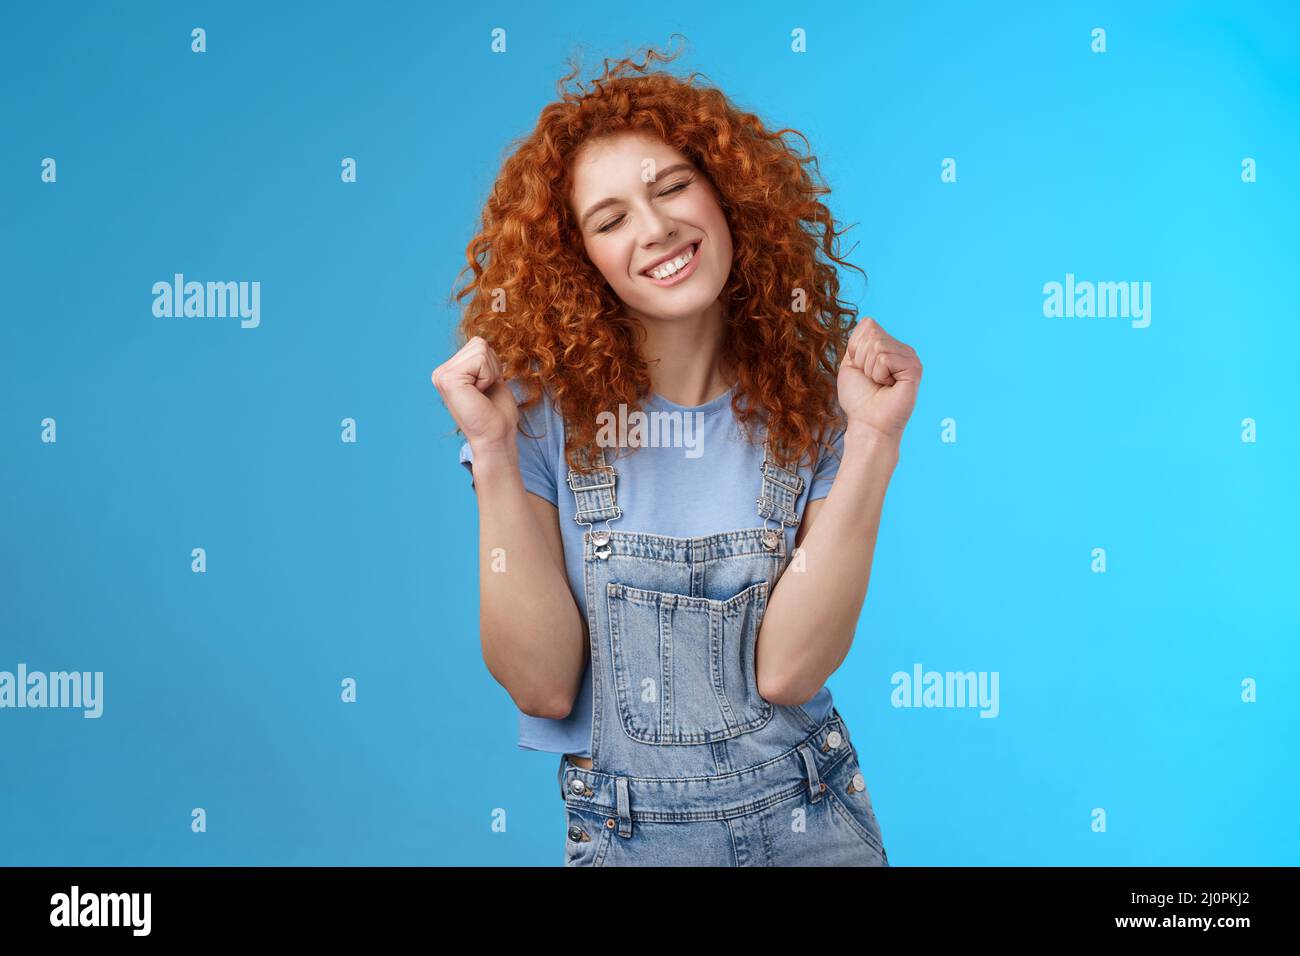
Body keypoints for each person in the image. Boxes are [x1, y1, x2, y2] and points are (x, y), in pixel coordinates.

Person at [432, 41, 921, 866]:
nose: (656, 229)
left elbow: (789, 673)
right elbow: (541, 683)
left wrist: (874, 437)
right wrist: (492, 456)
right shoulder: (537, 424)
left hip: (813, 824)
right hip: (629, 838)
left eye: (674, 188)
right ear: (578, 259)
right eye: (611, 218)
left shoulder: (821, 410)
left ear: (730, 197)